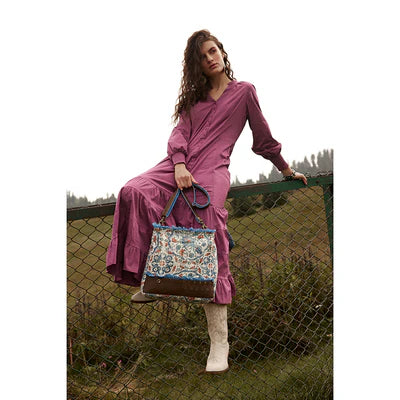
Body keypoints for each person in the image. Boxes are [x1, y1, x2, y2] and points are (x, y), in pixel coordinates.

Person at [106, 29, 308, 374]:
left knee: (208, 217)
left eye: (212, 51)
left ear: (222, 52)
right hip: (177, 165)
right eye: (202, 57)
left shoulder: (244, 92)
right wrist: (179, 165)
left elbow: (263, 138)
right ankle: (153, 279)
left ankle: (219, 343)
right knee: (133, 190)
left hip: (213, 168)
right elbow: (179, 135)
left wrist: (286, 169)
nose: (210, 59)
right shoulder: (193, 100)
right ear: (196, 65)